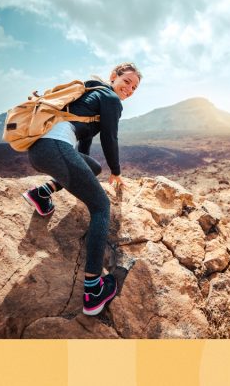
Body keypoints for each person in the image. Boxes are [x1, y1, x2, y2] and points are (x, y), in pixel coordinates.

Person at [22, 62, 141, 316]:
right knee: (101, 207)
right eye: (127, 81)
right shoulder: (110, 98)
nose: (129, 88)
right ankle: (93, 290)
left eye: (134, 86)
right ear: (113, 77)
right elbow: (110, 137)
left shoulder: (91, 94)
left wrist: (85, 174)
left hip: (40, 150)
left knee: (92, 168)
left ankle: (41, 193)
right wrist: (117, 172)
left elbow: (84, 147)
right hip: (55, 147)